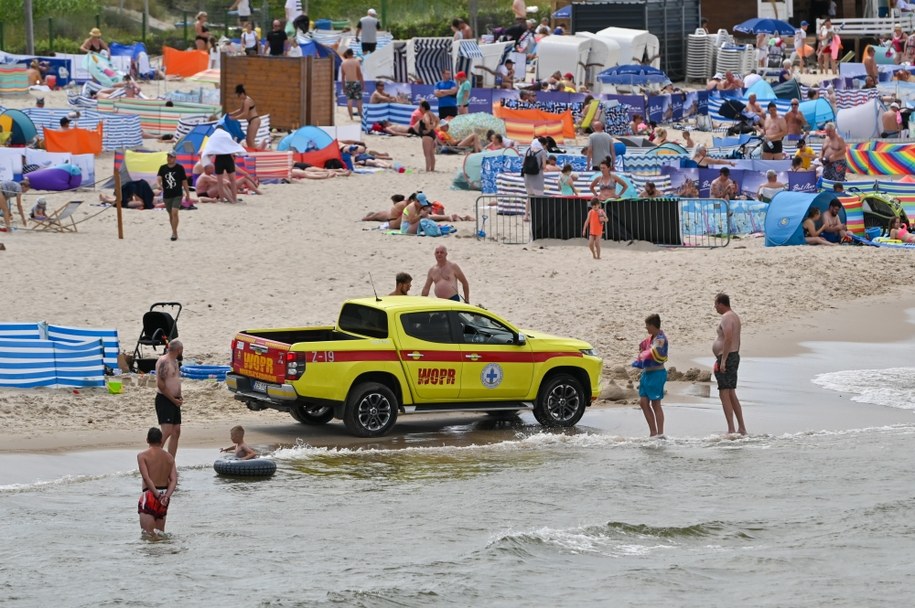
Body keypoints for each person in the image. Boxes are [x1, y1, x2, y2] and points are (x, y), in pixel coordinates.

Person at [713, 293, 746, 436]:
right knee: (731, 393)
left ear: (721, 304)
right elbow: (737, 340)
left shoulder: (726, 317)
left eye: (716, 304)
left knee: (724, 393)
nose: (715, 307)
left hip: (727, 358)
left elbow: (728, 338)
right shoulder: (735, 316)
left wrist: (724, 360)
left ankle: (731, 429)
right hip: (733, 356)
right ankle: (741, 428)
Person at [137, 427, 178, 536]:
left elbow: (146, 477)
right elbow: (174, 480)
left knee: (148, 535)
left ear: (147, 440)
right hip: (164, 496)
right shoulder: (169, 457)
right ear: (161, 441)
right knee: (160, 535)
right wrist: (166, 496)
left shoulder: (142, 456)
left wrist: (157, 495)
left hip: (150, 494)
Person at [633, 313, 668, 438]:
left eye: (647, 326)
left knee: (655, 403)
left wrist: (643, 355)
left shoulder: (660, 339)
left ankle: (660, 433)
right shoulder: (651, 338)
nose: (646, 328)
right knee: (643, 402)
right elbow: (644, 348)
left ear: (653, 326)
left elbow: (652, 352)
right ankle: (653, 432)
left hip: (657, 374)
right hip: (647, 374)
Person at [155, 340, 184, 456]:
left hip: (175, 400)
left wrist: (179, 396)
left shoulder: (175, 361)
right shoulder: (164, 362)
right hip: (165, 399)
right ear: (179, 350)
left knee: (176, 431)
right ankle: (154, 457)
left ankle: (170, 461)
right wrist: (173, 399)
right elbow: (161, 385)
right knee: (167, 431)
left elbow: (174, 380)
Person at [157, 151, 192, 241]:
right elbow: (159, 178)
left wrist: (188, 194)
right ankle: (174, 230)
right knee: (170, 215)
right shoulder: (163, 168)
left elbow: (184, 181)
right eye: (168, 156)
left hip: (177, 194)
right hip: (167, 195)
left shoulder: (179, 168)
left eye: (171, 157)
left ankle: (174, 233)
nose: (169, 158)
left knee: (175, 212)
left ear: (175, 158)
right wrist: (158, 184)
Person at [229, 84, 260, 149]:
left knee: (251, 140)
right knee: (248, 140)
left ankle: (256, 152)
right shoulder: (244, 101)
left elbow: (245, 113)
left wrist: (234, 118)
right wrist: (232, 113)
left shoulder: (247, 101)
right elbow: (240, 110)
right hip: (251, 121)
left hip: (254, 120)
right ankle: (254, 151)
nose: (239, 98)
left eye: (239, 96)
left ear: (242, 93)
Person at [341, 49, 364, 121]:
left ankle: (351, 117)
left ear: (347, 54)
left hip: (348, 82)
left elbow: (342, 76)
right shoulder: (356, 61)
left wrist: (343, 87)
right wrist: (362, 83)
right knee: (359, 101)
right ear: (352, 53)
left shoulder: (343, 63)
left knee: (349, 100)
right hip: (356, 82)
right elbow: (359, 74)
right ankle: (361, 116)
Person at [522, 137, 548, 203]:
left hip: (527, 177)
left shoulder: (528, 150)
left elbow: (523, 163)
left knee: (529, 197)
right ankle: (538, 213)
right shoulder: (542, 152)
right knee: (539, 197)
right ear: (542, 144)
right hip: (537, 177)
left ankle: (527, 213)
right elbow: (543, 166)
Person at [416, 101, 439, 172]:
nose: (419, 108)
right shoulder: (431, 113)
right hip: (432, 135)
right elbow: (438, 120)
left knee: (427, 154)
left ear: (423, 107)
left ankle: (427, 170)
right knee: (431, 153)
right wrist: (433, 127)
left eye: (420, 106)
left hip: (427, 136)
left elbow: (427, 121)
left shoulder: (426, 114)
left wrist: (428, 129)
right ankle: (432, 169)